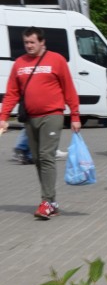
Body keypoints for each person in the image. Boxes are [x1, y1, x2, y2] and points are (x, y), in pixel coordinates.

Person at [0, 26, 81, 219]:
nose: (28, 46)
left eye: (32, 42)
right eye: (26, 42)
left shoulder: (56, 60)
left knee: (46, 156)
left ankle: (46, 200)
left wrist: (75, 116)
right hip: (30, 118)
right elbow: (12, 92)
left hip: (52, 115)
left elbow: (69, 88)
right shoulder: (19, 63)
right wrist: (3, 117)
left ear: (42, 42)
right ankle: (51, 202)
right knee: (36, 158)